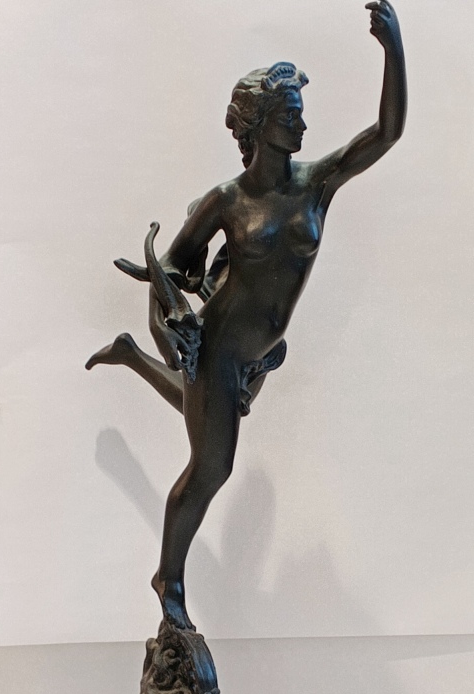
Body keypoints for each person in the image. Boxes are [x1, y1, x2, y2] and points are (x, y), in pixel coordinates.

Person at [86, 1, 406, 632]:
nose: (302, 124)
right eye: (289, 115)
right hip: (221, 346)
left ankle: (129, 356)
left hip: (260, 354)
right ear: (257, 126)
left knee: (210, 420)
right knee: (212, 466)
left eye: (302, 113)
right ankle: (169, 579)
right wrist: (170, 325)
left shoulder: (318, 183)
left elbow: (387, 132)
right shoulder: (227, 201)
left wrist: (393, 49)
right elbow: (171, 270)